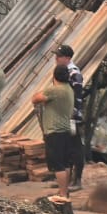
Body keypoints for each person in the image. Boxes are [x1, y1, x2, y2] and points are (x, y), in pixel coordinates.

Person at [32, 64, 75, 197]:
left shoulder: (54, 90)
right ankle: (65, 192)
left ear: (54, 76)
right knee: (65, 163)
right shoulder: (68, 89)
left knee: (58, 165)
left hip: (54, 131)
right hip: (66, 130)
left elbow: (35, 98)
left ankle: (62, 194)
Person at [54, 45, 86, 189]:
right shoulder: (62, 72)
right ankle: (66, 180)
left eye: (59, 56)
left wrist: (72, 113)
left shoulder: (74, 73)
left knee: (75, 147)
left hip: (72, 116)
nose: (56, 58)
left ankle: (77, 180)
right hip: (62, 114)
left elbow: (77, 96)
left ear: (67, 58)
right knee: (65, 147)